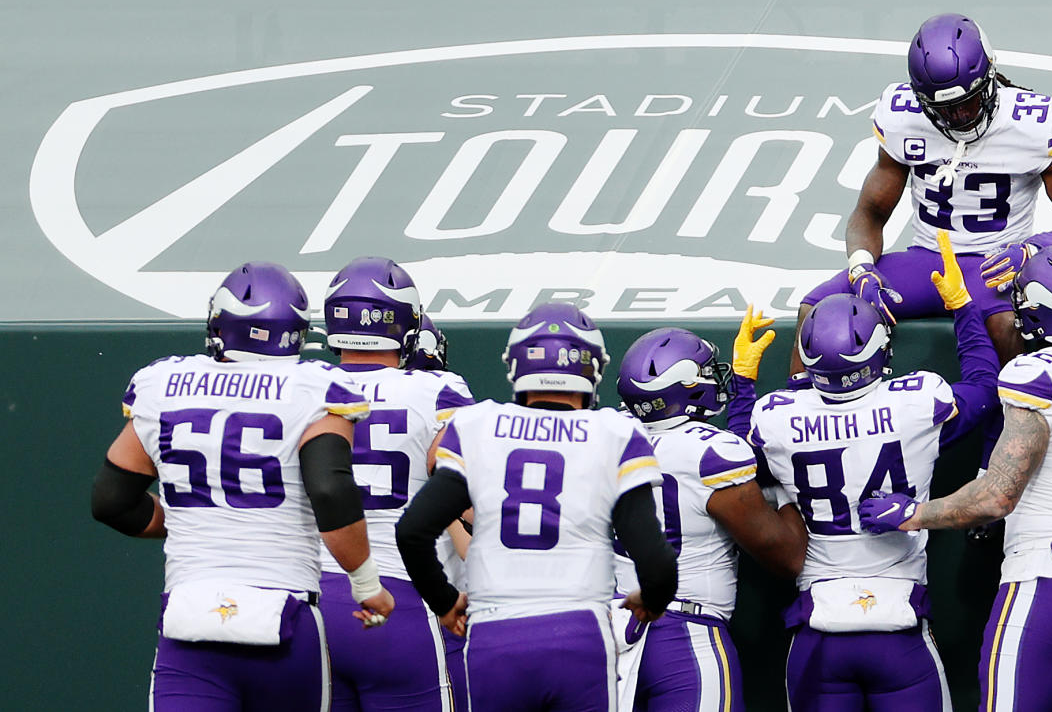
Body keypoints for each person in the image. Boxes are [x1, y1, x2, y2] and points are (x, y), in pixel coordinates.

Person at [91, 262, 395, 711]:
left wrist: (187, 521)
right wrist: (366, 584)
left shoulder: (165, 384)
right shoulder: (315, 386)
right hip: (285, 615)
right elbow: (329, 491)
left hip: (191, 618)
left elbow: (111, 501)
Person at [860, 244, 1052, 712]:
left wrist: (915, 514)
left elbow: (995, 498)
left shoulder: (1035, 376)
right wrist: (1040, 256)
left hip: (1045, 582)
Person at [751, 231, 1000, 711]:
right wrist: (963, 307)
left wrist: (743, 386)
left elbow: (753, 465)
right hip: (899, 623)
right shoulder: (915, 402)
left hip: (816, 629)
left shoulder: (774, 417)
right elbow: (984, 386)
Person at [395, 302, 679, 712]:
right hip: (579, 635)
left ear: (516, 365)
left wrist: (444, 600)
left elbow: (413, 532)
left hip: (495, 634)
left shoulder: (479, 426)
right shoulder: (613, 433)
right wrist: (652, 598)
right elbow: (655, 560)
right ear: (593, 367)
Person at [792, 12, 1052, 373]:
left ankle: (1012, 425)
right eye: (943, 108)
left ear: (990, 78)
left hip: (996, 264)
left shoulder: (1032, 123)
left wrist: (1035, 250)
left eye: (968, 102)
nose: (958, 117)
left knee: (1006, 326)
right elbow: (870, 212)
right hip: (926, 260)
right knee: (816, 310)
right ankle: (794, 421)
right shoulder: (902, 116)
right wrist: (861, 268)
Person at [613, 327, 808, 712]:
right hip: (686, 633)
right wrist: (786, 492)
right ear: (684, 386)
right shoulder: (711, 453)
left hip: (610, 629)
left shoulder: (605, 436)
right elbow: (787, 556)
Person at [318, 257, 475, 712]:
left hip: (312, 598)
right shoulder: (436, 390)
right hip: (401, 597)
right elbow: (466, 492)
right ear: (406, 325)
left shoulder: (300, 387)